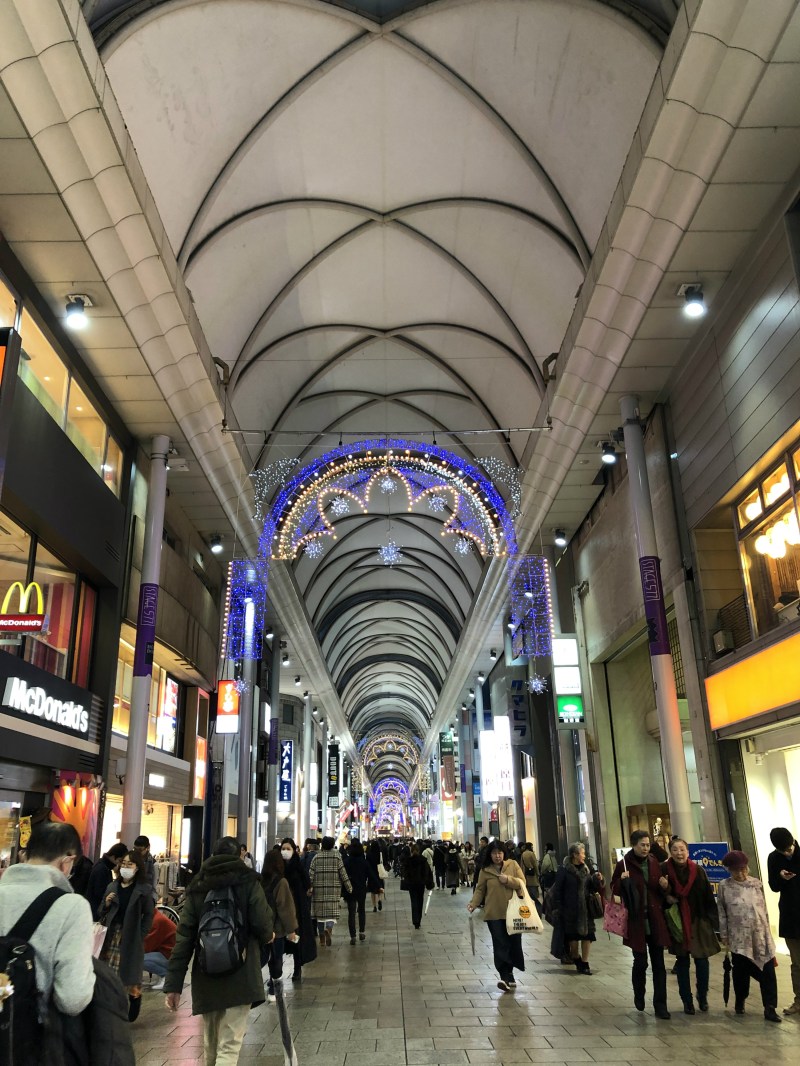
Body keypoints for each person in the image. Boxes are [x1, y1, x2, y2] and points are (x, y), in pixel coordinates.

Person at [164, 836, 275, 1063]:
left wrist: (173, 984)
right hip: (241, 972)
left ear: (213, 856)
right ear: (240, 856)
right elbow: (263, 923)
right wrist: (269, 936)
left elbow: (184, 937)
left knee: (211, 1044)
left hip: (207, 975)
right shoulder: (248, 882)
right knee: (230, 1043)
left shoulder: (198, 885)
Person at [0, 822, 95, 1035]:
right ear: (67, 862)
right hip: (28, 1040)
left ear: (24, 855)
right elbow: (72, 1000)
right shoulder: (72, 906)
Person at [610, 830, 671, 1019]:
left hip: (655, 919)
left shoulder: (654, 863)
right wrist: (621, 881)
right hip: (637, 920)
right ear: (634, 845)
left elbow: (663, 889)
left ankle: (661, 1005)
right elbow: (614, 890)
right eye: (642, 845)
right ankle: (639, 994)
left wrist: (665, 886)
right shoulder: (624, 864)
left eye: (647, 845)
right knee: (640, 962)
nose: (645, 848)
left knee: (659, 964)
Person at [717, 849, 781, 1023]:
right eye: (737, 870)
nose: (741, 873)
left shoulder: (756, 884)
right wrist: (724, 934)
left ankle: (770, 1007)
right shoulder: (724, 886)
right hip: (739, 937)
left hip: (760, 935)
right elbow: (722, 912)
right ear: (729, 870)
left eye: (744, 869)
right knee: (741, 972)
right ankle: (740, 999)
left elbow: (764, 910)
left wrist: (768, 932)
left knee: (767, 971)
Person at [660, 837, 719, 1014]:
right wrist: (666, 892)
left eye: (682, 849)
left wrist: (715, 924)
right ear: (671, 852)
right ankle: (687, 1000)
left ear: (688, 851)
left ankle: (702, 995)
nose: (679, 853)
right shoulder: (664, 870)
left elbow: (708, 897)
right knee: (682, 961)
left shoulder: (698, 870)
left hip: (698, 921)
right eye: (675, 850)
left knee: (702, 961)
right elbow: (657, 896)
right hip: (677, 922)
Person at [99, 848, 155, 1021]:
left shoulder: (143, 890)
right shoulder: (112, 886)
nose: (125, 867)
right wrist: (106, 904)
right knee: (110, 973)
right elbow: (101, 911)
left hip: (131, 935)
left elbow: (149, 914)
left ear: (137, 867)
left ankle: (134, 997)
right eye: (123, 863)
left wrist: (141, 933)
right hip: (112, 934)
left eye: (129, 864)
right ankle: (113, 1008)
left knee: (129, 974)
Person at [467, 841, 527, 991]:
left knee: (513, 943)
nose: (497, 856)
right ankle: (504, 976)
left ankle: (510, 973)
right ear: (490, 855)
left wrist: (508, 880)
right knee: (500, 943)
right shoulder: (485, 870)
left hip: (513, 913)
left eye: (500, 853)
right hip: (493, 913)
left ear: (504, 853)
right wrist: (473, 904)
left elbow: (522, 883)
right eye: (494, 853)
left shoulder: (512, 865)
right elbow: (480, 890)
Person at [551, 842, 603, 975]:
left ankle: (585, 963)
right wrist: (558, 908)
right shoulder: (564, 870)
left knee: (588, 936)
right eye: (582, 853)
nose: (584, 856)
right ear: (574, 855)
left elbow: (592, 887)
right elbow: (558, 890)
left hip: (585, 910)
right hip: (570, 910)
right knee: (573, 941)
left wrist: (598, 880)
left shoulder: (586, 868)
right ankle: (577, 958)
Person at [767, 826, 800, 1016]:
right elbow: (773, 886)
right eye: (783, 851)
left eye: (789, 848)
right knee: (797, 963)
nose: (788, 853)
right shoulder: (774, 858)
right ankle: (799, 1000)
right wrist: (781, 878)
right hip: (790, 915)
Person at [260, 850, 298, 1002]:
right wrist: (291, 929)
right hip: (277, 930)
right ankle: (274, 991)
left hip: (263, 927)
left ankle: (267, 988)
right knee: (276, 960)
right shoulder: (281, 882)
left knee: (263, 957)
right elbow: (286, 908)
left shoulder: (261, 881)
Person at [279, 837, 316, 982]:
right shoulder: (278, 866)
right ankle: (276, 970)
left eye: (288, 849)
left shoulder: (298, 865)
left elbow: (307, 882)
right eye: (283, 849)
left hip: (296, 906)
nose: (285, 851)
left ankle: (297, 968)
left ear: (294, 850)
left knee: (296, 938)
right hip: (281, 906)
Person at [310, 835, 352, 945]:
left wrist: (309, 888)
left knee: (319, 916)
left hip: (318, 890)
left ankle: (322, 939)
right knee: (331, 914)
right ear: (333, 845)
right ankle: (328, 929)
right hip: (333, 890)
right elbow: (343, 873)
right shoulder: (337, 857)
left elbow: (310, 875)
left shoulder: (316, 857)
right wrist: (349, 887)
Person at [342, 839, 380, 943]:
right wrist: (378, 886)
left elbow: (342, 876)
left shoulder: (346, 862)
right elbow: (371, 875)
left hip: (349, 890)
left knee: (351, 912)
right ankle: (362, 932)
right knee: (361, 910)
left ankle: (353, 936)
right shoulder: (364, 862)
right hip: (361, 889)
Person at [86, 841, 129, 919]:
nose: (119, 864)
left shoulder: (104, 866)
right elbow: (100, 893)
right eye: (120, 861)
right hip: (95, 913)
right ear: (113, 856)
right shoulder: (101, 869)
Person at [143, 907, 177, 990]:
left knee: (138, 959)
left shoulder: (156, 921)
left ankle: (166, 977)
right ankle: (164, 976)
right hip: (169, 954)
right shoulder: (156, 916)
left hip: (170, 956)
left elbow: (147, 947)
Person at [402, 843, 434, 928]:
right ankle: (418, 921)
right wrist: (428, 882)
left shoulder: (408, 861)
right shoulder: (423, 860)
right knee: (420, 901)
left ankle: (415, 920)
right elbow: (428, 872)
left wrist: (407, 881)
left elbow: (405, 873)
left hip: (412, 884)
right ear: (419, 851)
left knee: (414, 901)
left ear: (411, 851)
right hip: (421, 884)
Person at [133, 835, 158, 901]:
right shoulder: (131, 859)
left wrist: (153, 899)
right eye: (135, 849)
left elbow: (154, 884)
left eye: (140, 850)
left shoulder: (153, 863)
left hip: (147, 897)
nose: (137, 852)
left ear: (148, 847)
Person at [366, 840, 385, 912]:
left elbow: (367, 864)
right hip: (379, 873)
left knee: (372, 891)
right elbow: (382, 862)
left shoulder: (368, 854)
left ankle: (374, 906)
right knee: (380, 888)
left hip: (371, 874)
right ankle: (379, 900)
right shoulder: (380, 853)